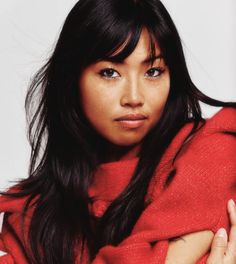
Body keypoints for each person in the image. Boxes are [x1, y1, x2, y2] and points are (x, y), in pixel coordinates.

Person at [0, 0, 235, 263]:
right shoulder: (30, 216)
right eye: (110, 72)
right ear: (71, 80)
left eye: (154, 71)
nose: (134, 97)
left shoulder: (214, 151)